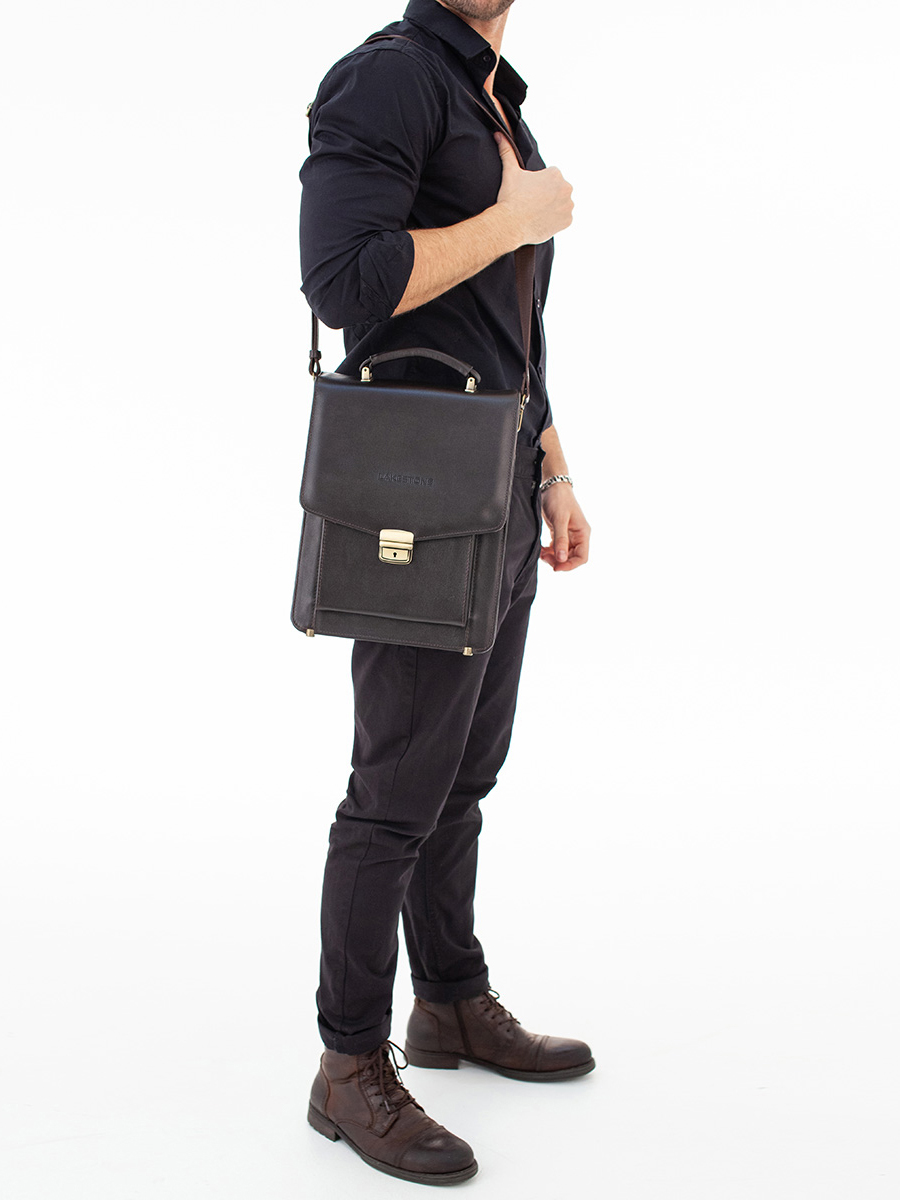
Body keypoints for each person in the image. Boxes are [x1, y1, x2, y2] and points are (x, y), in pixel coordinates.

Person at [298, 0, 593, 1184]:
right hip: (417, 497)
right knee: (394, 796)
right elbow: (344, 282)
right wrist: (511, 215)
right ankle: (347, 1066)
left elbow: (508, 323)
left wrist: (554, 469)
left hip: (499, 483)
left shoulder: (493, 97)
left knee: (464, 775)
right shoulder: (388, 79)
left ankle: (452, 1003)